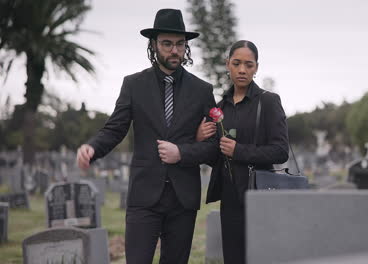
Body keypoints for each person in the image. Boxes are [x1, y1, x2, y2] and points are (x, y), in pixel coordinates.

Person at [76, 9, 217, 264]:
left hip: (183, 199)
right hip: (144, 197)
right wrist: (92, 148)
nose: (174, 50)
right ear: (153, 45)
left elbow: (213, 146)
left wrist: (182, 153)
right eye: (167, 44)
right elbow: (114, 129)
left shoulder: (203, 91)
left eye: (180, 44)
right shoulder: (133, 85)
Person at [197, 40, 289, 264]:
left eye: (249, 65)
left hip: (260, 194)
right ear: (227, 64)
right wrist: (199, 138)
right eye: (236, 63)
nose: (242, 70)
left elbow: (280, 151)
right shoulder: (220, 108)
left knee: (261, 257)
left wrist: (239, 151)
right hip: (229, 197)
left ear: (256, 67)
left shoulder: (268, 101)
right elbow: (213, 156)